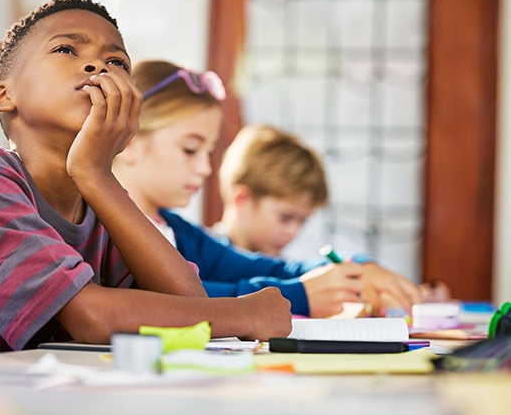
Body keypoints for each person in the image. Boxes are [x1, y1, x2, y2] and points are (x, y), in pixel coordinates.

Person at [0, 0, 292, 356]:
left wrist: (95, 177)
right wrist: (247, 315)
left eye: (117, 62)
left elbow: (189, 306)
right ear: (3, 95)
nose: (98, 67)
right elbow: (92, 317)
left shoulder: (100, 202)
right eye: (66, 49)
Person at [112, 60, 423, 317]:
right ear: (130, 142)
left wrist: (359, 268)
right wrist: (299, 296)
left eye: (209, 152)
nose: (205, 168)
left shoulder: (180, 232)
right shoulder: (104, 231)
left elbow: (273, 267)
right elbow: (181, 296)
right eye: (191, 149)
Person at [216, 124, 451, 305]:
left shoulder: (277, 265)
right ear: (242, 200)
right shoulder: (204, 262)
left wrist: (400, 295)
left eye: (302, 221)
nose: (293, 232)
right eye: (286, 218)